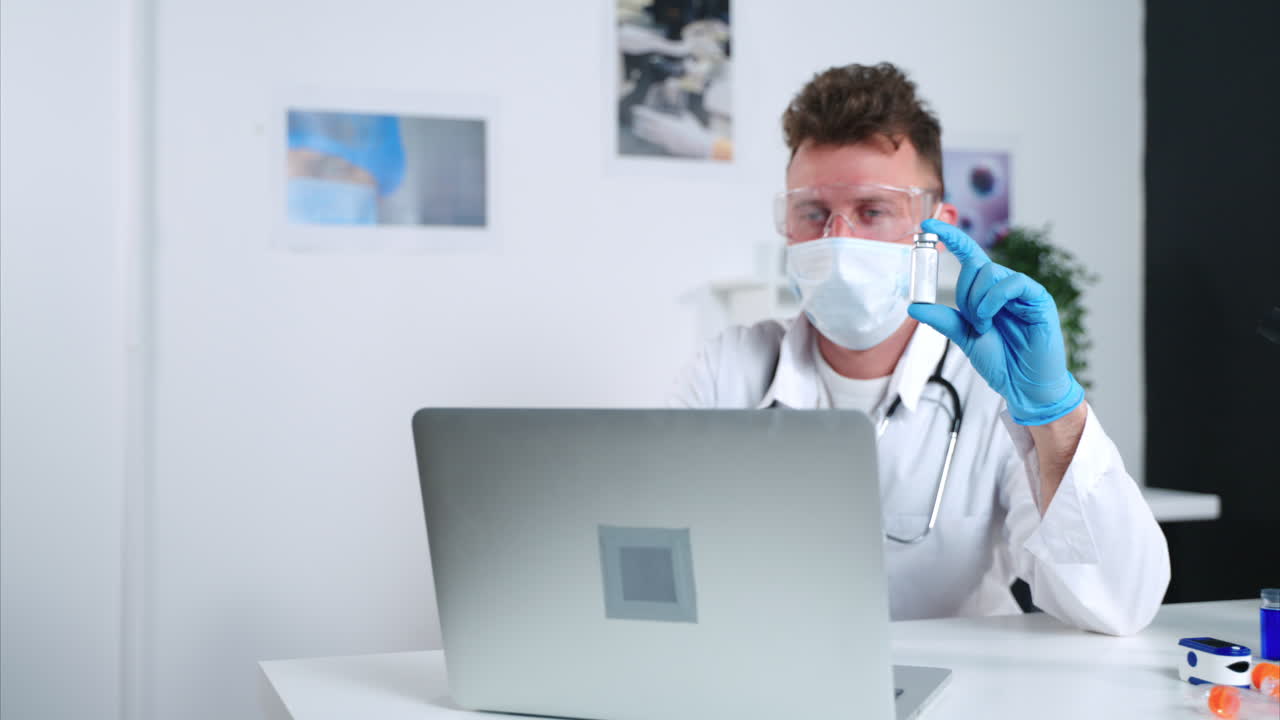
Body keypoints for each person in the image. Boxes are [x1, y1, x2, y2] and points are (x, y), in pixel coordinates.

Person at [669, 63, 1170, 635]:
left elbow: (1118, 605)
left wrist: (1055, 415)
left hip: (962, 693)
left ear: (939, 227)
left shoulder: (992, 386)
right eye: (813, 212)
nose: (838, 238)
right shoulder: (725, 371)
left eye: (873, 210)